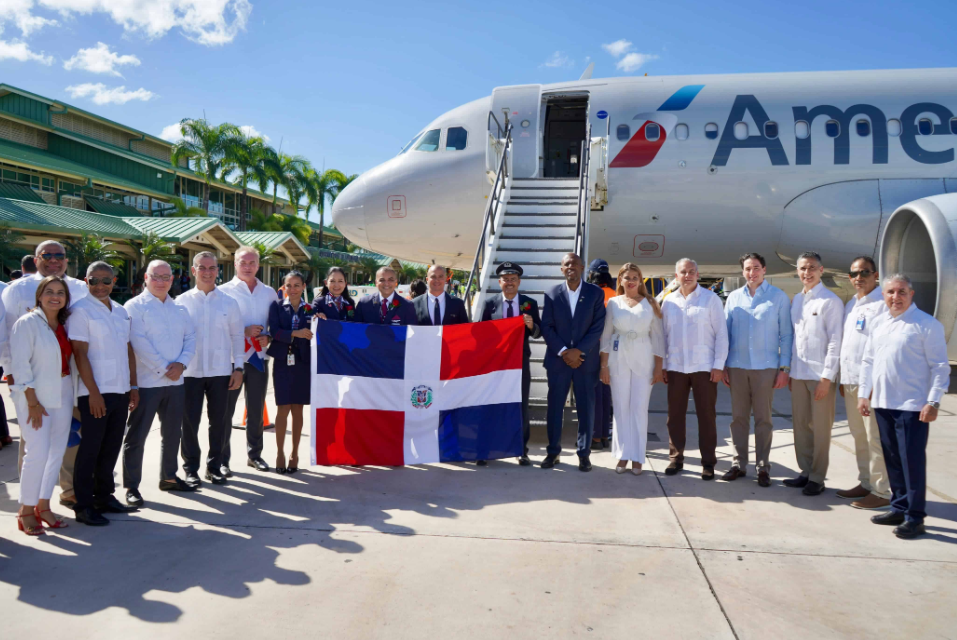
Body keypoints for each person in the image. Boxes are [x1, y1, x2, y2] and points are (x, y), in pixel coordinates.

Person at [859, 274, 949, 539]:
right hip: (883, 403)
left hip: (912, 406)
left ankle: (915, 517)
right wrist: (864, 395)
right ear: (884, 295)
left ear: (911, 294)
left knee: (912, 463)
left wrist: (933, 401)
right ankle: (898, 507)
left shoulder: (926, 324)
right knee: (893, 461)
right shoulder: (880, 323)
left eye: (901, 292)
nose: (895, 297)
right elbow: (868, 361)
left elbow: (940, 367)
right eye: (890, 292)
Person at [1, 240, 88, 508]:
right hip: (32, 383)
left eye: (59, 255)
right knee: (34, 447)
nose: (53, 259)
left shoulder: (80, 288)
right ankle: (29, 503)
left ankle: (65, 491)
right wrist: (12, 375)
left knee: (67, 442)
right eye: (46, 255)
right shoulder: (18, 289)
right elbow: (6, 336)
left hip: (68, 380)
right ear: (36, 259)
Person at [68, 263, 140, 526]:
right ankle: (84, 505)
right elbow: (79, 354)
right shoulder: (80, 311)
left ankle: (104, 496)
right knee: (90, 449)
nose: (100, 286)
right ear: (85, 280)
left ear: (114, 281)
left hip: (120, 390)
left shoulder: (120, 311)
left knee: (110, 447)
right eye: (94, 280)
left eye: (105, 281)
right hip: (95, 393)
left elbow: (128, 350)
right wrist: (93, 393)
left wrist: (133, 386)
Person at [122, 260, 197, 506]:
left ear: (172, 280)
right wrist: (165, 369)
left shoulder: (180, 309)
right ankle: (132, 486)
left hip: (176, 383)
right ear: (146, 277)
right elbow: (138, 343)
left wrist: (182, 364)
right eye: (156, 276)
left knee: (173, 433)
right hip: (146, 383)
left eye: (166, 277)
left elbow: (191, 338)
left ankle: (168, 477)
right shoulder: (134, 306)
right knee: (137, 436)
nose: (161, 281)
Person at [721, 253, 793, 487]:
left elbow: (786, 335)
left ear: (764, 270)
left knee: (764, 420)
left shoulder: (778, 297)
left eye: (756, 268)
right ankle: (738, 464)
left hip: (765, 368)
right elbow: (725, 334)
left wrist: (784, 367)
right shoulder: (733, 298)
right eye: (747, 269)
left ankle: (763, 467)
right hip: (737, 366)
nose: (751, 273)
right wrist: (722, 364)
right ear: (742, 272)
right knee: (738, 419)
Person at [10, 276, 74, 535]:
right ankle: (26, 510)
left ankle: (44, 506)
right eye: (49, 292)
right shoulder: (26, 323)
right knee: (36, 454)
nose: (55, 296)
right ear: (39, 295)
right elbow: (20, 366)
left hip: (64, 391)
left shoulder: (63, 324)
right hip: (35, 397)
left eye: (60, 292)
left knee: (56, 453)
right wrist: (32, 403)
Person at [176, 252, 245, 487]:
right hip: (190, 372)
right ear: (193, 271)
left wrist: (239, 368)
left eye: (211, 268)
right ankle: (190, 469)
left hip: (221, 372)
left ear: (218, 271)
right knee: (190, 422)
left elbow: (237, 337)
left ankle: (214, 467)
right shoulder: (181, 302)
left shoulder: (229, 302)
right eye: (202, 268)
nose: (207, 272)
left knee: (219, 421)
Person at [661, 258, 729, 480]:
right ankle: (675, 458)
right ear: (676, 275)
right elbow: (663, 337)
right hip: (676, 367)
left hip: (704, 367)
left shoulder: (711, 300)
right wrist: (663, 365)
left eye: (692, 271)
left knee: (706, 416)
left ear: (698, 275)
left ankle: (708, 462)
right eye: (683, 272)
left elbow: (721, 335)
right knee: (675, 416)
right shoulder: (668, 302)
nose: (687, 275)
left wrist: (719, 366)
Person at [540, 253, 606, 472]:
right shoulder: (551, 294)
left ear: (582, 268)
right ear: (561, 269)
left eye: (575, 264)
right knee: (554, 408)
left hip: (584, 363)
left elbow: (598, 325)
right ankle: (553, 452)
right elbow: (546, 327)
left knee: (586, 409)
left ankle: (584, 454)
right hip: (558, 362)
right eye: (567, 264)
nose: (571, 268)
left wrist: (579, 352)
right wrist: (564, 352)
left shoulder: (595, 293)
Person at [785, 251, 843, 496]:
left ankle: (818, 478)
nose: (806, 273)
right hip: (798, 374)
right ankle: (806, 471)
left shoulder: (830, 301)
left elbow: (835, 342)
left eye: (811, 268)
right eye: (802, 269)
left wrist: (827, 378)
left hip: (819, 376)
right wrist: (789, 371)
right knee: (800, 426)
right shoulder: (797, 300)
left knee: (820, 428)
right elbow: (794, 339)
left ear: (821, 270)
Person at [599, 263, 665, 475]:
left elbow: (658, 338)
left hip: (644, 361)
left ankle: (638, 457)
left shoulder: (651, 303)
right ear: (620, 280)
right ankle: (623, 455)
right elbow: (606, 337)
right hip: (618, 361)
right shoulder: (613, 304)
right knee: (620, 409)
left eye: (635, 277)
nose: (631, 281)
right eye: (627, 277)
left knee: (638, 409)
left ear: (640, 280)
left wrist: (658, 368)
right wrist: (604, 366)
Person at [837, 256, 891, 509]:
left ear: (876, 275)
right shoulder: (852, 304)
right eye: (854, 274)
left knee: (874, 438)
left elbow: (883, 348)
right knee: (859, 435)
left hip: (869, 384)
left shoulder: (883, 304)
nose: (859, 278)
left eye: (865, 273)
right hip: (850, 381)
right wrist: (842, 377)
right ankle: (866, 482)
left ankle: (881, 491)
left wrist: (872, 385)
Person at [221, 246, 278, 474]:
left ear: (258, 265)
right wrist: (242, 331)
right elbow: (217, 326)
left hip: (258, 360)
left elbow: (276, 324)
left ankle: (254, 455)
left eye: (252, 262)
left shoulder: (270, 292)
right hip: (232, 361)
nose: (247, 266)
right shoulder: (223, 291)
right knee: (225, 412)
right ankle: (222, 459)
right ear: (235, 264)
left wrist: (269, 337)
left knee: (255, 411)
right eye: (243, 262)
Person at [481, 262, 542, 466]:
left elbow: (538, 332)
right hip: (496, 364)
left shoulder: (529, 303)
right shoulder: (490, 304)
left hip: (520, 362)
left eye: (513, 279)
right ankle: (487, 449)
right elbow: (483, 334)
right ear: (499, 282)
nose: (509, 283)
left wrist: (532, 325)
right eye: (506, 279)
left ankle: (521, 450)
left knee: (521, 405)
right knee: (491, 405)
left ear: (519, 282)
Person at [267, 271, 313, 473]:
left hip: (303, 363)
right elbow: (274, 331)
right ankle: (279, 453)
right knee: (282, 408)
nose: (292, 289)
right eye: (289, 285)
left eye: (297, 285)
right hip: (282, 362)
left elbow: (317, 332)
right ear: (283, 287)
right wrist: (294, 333)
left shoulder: (311, 309)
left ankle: (295, 453)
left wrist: (321, 319)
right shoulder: (276, 307)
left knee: (298, 409)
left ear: (304, 287)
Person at [588, 258, 616, 451]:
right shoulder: (616, 295)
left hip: (595, 349)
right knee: (606, 393)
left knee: (594, 393)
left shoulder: (591, 294)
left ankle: (596, 437)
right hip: (614, 350)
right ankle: (605, 433)